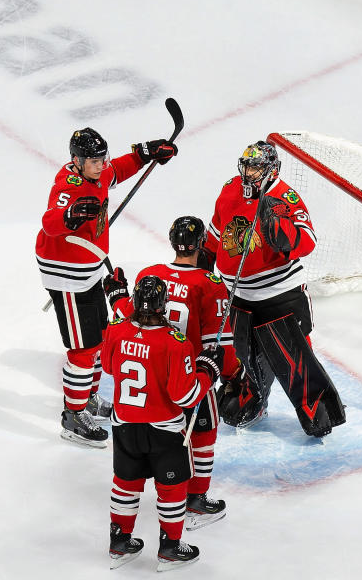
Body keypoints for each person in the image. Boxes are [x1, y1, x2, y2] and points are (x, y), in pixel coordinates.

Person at [36, 127, 178, 447]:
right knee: (83, 349)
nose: (101, 165)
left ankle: (86, 399)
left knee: (100, 339)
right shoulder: (67, 184)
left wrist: (144, 154)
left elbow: (117, 171)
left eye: (102, 159)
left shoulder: (97, 173)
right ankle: (72, 415)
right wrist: (70, 216)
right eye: (94, 161)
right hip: (66, 274)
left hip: (88, 268)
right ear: (76, 160)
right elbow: (50, 220)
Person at [203, 141, 346, 438]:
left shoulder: (285, 197)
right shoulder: (230, 188)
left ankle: (316, 409)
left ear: (273, 170)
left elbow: (308, 241)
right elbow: (216, 232)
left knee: (297, 357)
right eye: (246, 166)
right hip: (241, 295)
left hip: (281, 295)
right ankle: (254, 400)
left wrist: (283, 230)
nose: (249, 173)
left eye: (256, 168)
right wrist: (204, 265)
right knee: (248, 353)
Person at [104, 216, 238, 531]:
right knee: (203, 436)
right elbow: (219, 344)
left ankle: (129, 528)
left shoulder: (150, 275)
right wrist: (231, 373)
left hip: (151, 378)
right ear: (203, 242)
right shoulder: (211, 283)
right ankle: (195, 501)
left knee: (153, 448)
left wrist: (118, 298)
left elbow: (136, 320)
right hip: (189, 373)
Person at [100, 275, 223, 571]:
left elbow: (106, 366)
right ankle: (169, 548)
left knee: (125, 484)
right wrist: (207, 370)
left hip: (125, 425)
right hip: (164, 431)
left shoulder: (115, 329)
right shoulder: (175, 342)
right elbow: (187, 396)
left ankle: (119, 542)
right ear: (162, 305)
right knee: (172, 489)